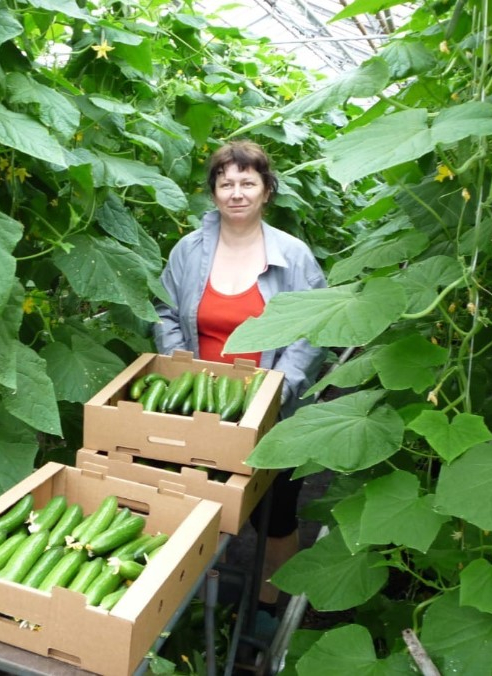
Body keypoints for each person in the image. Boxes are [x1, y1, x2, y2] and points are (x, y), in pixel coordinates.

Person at [153, 140, 327, 618]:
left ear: (266, 190)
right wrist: (179, 366)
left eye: (247, 182)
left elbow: (312, 329)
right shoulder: (188, 251)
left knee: (274, 518)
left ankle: (267, 610)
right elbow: (165, 311)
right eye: (225, 183)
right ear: (212, 193)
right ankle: (208, 602)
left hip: (274, 413)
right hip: (199, 408)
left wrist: (280, 388)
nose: (236, 193)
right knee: (202, 506)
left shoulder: (293, 256)